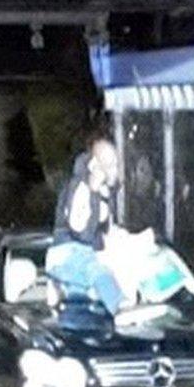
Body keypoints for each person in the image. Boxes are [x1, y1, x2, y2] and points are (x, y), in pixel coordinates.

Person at [46, 135, 125, 316]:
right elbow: (80, 231)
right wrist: (93, 191)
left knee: (78, 311)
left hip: (83, 256)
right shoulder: (81, 188)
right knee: (99, 273)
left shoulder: (103, 194)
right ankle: (122, 310)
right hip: (67, 254)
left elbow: (103, 235)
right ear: (96, 165)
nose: (116, 170)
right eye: (111, 164)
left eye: (116, 163)